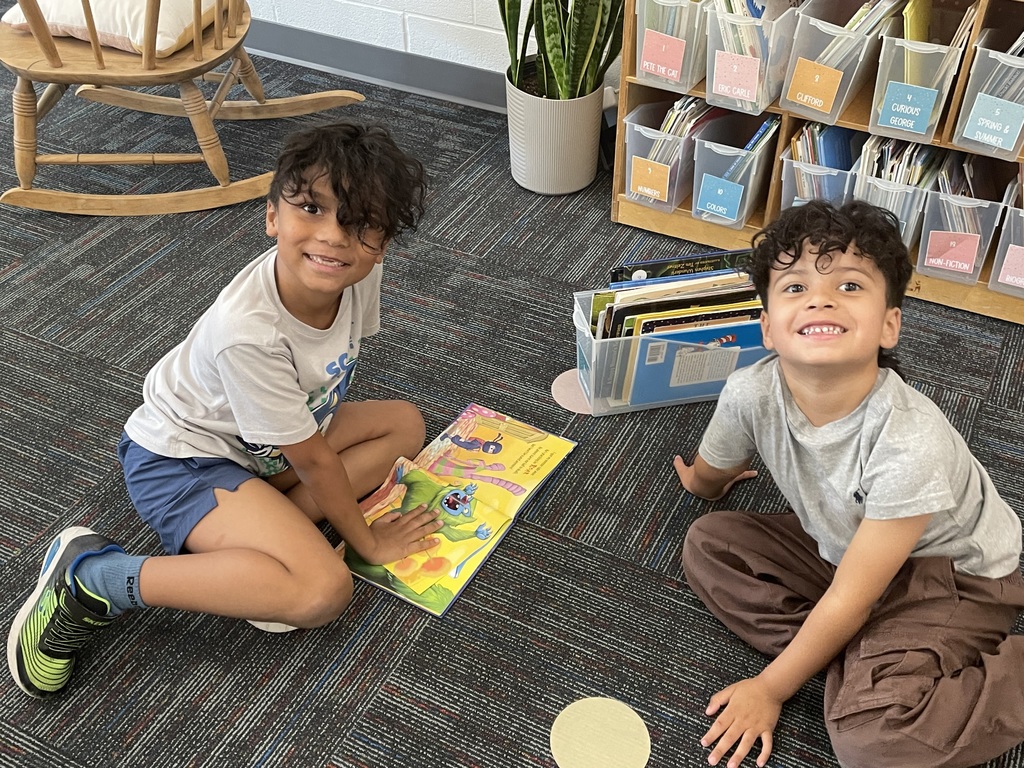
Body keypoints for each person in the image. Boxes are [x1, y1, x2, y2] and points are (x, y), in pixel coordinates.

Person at [8, 120, 445, 698]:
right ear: (271, 217)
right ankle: (93, 579)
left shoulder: (359, 274)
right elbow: (314, 462)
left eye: (361, 223)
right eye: (311, 209)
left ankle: (262, 550)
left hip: (265, 444)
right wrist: (368, 541)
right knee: (323, 592)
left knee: (405, 426)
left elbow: (317, 413)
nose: (335, 237)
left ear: (382, 241)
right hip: (181, 460)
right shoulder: (250, 334)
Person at [673, 200, 1024, 768]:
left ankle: (862, 664)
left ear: (890, 324)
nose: (820, 297)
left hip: (955, 576)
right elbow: (710, 477)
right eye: (794, 287)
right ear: (766, 326)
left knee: (872, 742)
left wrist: (771, 687)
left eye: (851, 285)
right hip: (850, 553)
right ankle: (861, 658)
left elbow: (851, 596)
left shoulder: (911, 440)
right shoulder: (748, 392)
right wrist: (703, 484)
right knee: (710, 545)